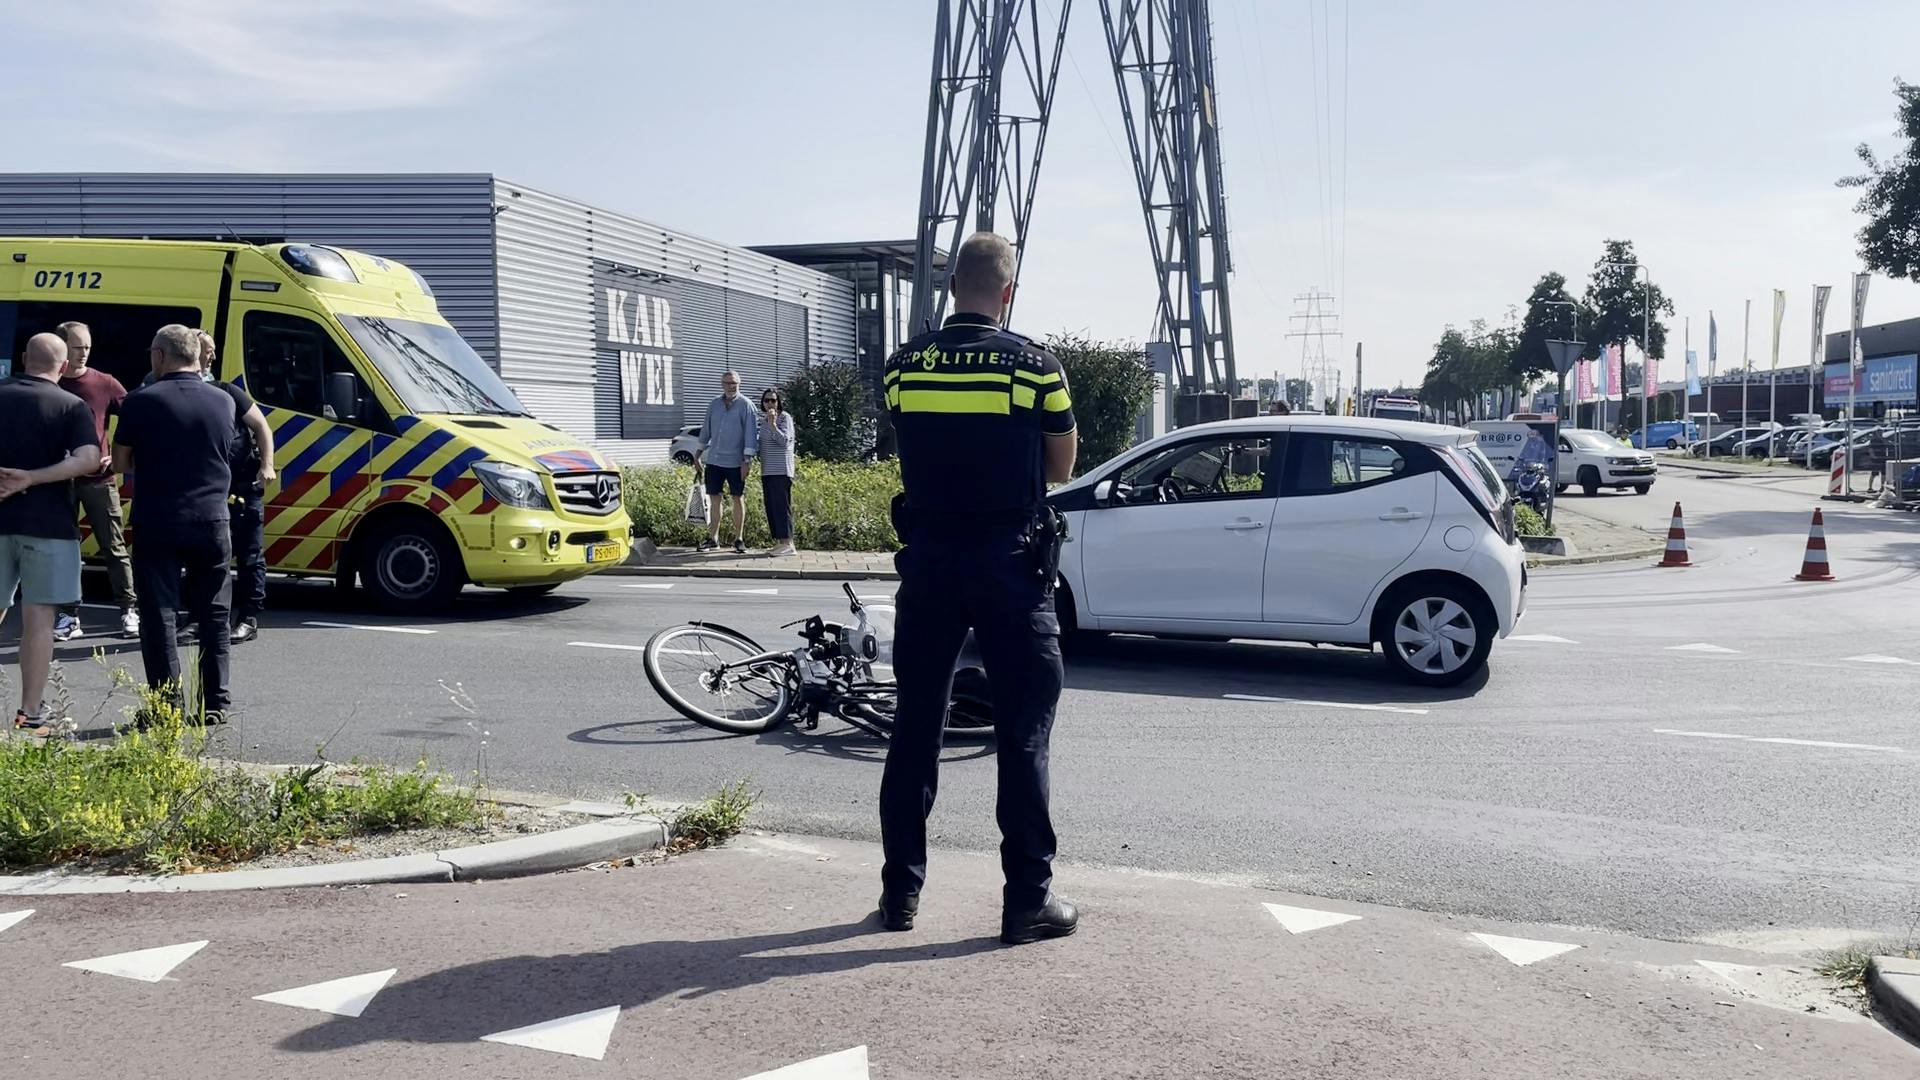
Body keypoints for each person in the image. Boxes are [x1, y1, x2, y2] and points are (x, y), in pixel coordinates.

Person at [877, 231, 1079, 946]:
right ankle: (1028, 900)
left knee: (915, 727)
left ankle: (900, 894)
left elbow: (914, 452)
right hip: (1008, 562)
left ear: (950, 286)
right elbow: (1059, 467)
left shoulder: (903, 367)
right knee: (1023, 731)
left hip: (929, 560)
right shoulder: (1034, 367)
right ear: (1007, 291)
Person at [114, 324, 237, 723]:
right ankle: (215, 704)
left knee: (159, 615)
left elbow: (120, 463)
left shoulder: (140, 402)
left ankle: (166, 709)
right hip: (213, 520)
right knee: (215, 614)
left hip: (159, 519)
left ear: (159, 356)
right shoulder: (224, 401)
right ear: (197, 355)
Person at [0, 334, 103, 735]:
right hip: (48, 525)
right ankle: (30, 712)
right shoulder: (71, 405)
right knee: (40, 619)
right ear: (62, 368)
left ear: (23, 359)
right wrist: (32, 478)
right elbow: (89, 459)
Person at [51, 321, 138, 641]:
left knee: (113, 547)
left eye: (87, 347)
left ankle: (128, 609)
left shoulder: (104, 383)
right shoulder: (52, 383)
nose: (83, 353)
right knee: (64, 548)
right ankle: (68, 614)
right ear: (62, 348)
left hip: (99, 479)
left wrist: (115, 455)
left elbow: (135, 419)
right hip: (59, 480)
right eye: (77, 347)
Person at [192, 330, 277, 643]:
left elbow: (262, 427)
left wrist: (267, 465)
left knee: (249, 554)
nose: (211, 356)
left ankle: (249, 617)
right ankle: (199, 618)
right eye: (206, 350)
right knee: (203, 556)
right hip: (205, 488)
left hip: (242, 483)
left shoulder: (227, 391)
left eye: (213, 350)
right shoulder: (175, 389)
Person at [694, 370, 758, 554]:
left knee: (737, 498)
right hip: (714, 459)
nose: (731, 386)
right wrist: (697, 454)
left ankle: (739, 539)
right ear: (722, 384)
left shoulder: (746, 405)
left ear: (740, 383)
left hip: (736, 461)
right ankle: (713, 538)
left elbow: (751, 435)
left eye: (734, 383)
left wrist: (747, 460)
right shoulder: (714, 404)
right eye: (728, 383)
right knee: (715, 499)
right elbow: (706, 430)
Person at [758, 387, 797, 557]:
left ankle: (788, 543)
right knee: (772, 507)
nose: (770, 404)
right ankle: (780, 542)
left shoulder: (784, 418)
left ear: (779, 402)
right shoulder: (763, 421)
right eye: (767, 400)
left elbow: (785, 441)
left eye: (773, 400)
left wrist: (773, 425)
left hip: (781, 470)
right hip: (767, 470)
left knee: (782, 507)